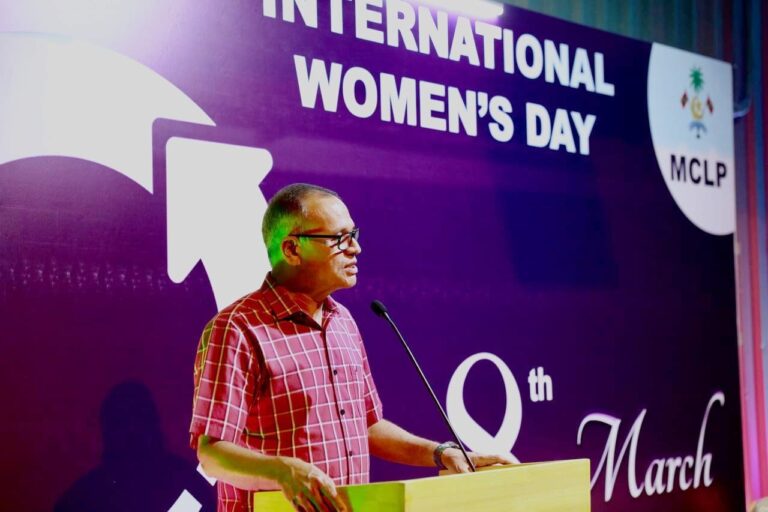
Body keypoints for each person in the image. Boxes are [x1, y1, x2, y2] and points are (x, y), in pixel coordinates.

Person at [190, 183, 512, 512]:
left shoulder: (342, 321)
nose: (356, 248)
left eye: (354, 235)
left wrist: (440, 453)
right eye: (339, 238)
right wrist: (284, 471)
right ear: (292, 249)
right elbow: (212, 453)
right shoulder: (238, 328)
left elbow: (368, 426)